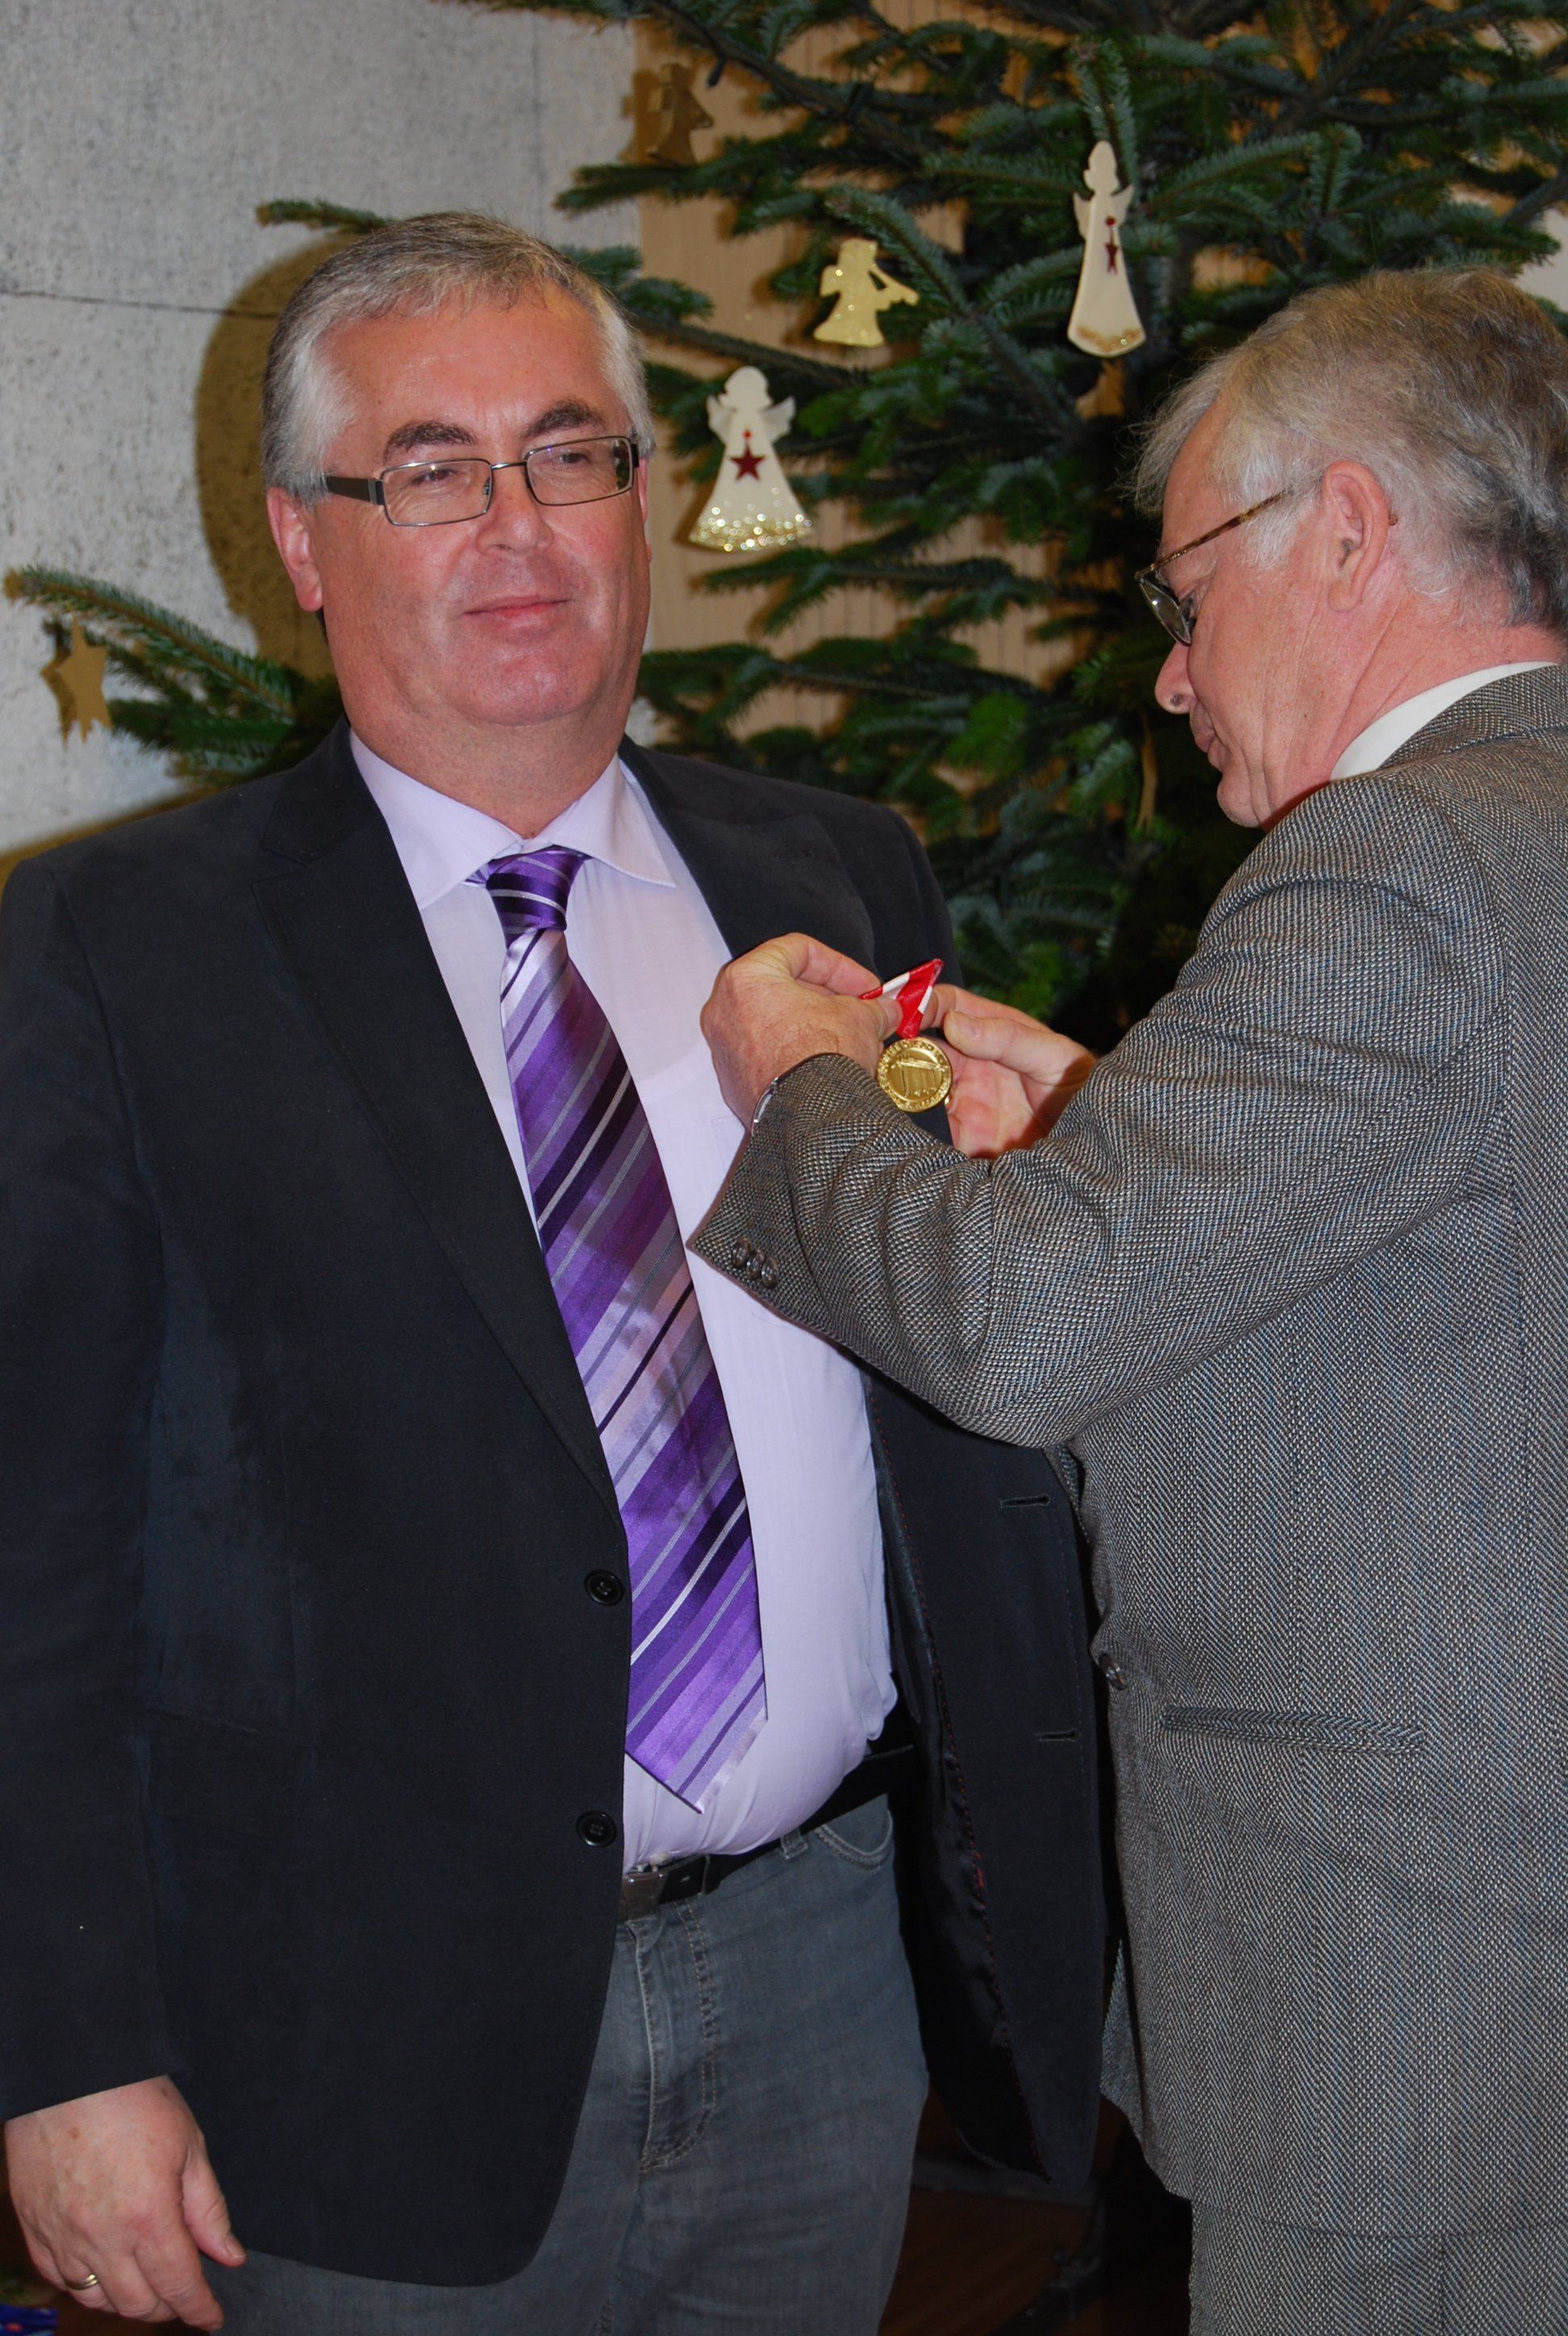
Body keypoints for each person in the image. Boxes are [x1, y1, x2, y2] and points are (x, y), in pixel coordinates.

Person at [0, 215, 1105, 2334]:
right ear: (303, 542)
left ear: (643, 499)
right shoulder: (117, 953)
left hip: (822, 1984)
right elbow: (29, 1550)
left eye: (572, 453)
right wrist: (63, 2052)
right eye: (432, 470)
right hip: (359, 2036)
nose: (518, 527)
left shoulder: (834, 871)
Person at [694, 265, 1568, 2336]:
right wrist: (1104, 1123)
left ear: (1345, 528)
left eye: (1183, 595)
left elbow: (1017, 1334)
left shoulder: (1393, 862)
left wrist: (806, 1087)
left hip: (1415, 2024)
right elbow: (1468, 1241)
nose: (1168, 680)